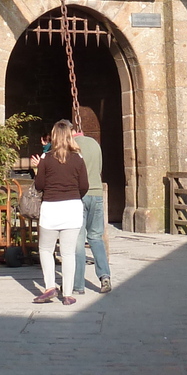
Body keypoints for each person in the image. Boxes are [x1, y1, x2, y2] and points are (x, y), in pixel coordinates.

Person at [32, 120, 89, 305]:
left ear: (54, 136)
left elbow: (39, 185)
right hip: (72, 208)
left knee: (46, 249)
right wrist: (73, 196)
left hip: (51, 208)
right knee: (68, 253)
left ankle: (50, 287)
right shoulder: (78, 158)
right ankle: (68, 294)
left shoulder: (46, 158)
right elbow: (84, 186)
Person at [71, 109, 112, 295]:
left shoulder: (71, 147)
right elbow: (100, 168)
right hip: (96, 193)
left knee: (78, 242)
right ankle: (105, 276)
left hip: (79, 196)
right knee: (96, 238)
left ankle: (78, 285)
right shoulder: (95, 144)